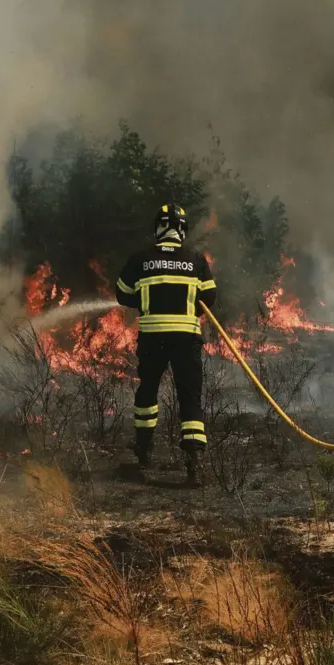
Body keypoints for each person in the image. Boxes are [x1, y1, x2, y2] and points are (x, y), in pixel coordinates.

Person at [115, 203, 218, 487]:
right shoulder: (196, 260)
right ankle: (194, 465)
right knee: (190, 398)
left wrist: (146, 299)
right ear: (182, 231)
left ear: (159, 228)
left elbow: (122, 294)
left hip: (153, 338)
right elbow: (209, 298)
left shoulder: (140, 259)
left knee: (148, 391)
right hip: (186, 339)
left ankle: (143, 451)